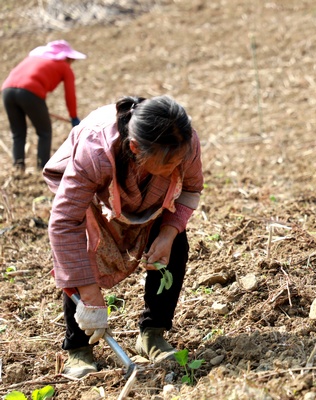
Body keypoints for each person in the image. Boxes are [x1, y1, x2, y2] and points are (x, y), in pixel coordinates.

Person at [42, 95, 204, 378]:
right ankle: (78, 349)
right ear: (135, 147)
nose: (175, 168)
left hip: (151, 196)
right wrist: (90, 294)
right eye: (168, 165)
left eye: (179, 161)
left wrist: (167, 234)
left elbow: (190, 189)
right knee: (81, 245)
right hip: (92, 192)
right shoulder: (95, 149)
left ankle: (152, 334)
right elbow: (64, 221)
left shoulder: (185, 143)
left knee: (176, 244)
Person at [2, 40, 86, 170]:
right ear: (66, 57)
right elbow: (70, 95)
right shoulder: (64, 66)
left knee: (17, 132)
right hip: (30, 92)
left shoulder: (34, 58)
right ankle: (43, 167)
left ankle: (18, 167)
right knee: (44, 132)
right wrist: (74, 117)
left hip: (7, 91)